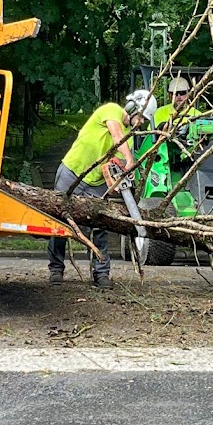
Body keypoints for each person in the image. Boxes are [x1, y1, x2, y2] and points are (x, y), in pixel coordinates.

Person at [47, 89, 157, 288]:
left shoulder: (129, 139)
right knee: (59, 221)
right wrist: (131, 160)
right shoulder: (111, 110)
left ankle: (101, 273)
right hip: (72, 170)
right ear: (132, 107)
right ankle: (56, 269)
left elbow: (115, 168)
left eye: (144, 121)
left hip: (97, 183)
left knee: (100, 225)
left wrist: (124, 175)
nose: (141, 123)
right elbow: (116, 134)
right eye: (140, 117)